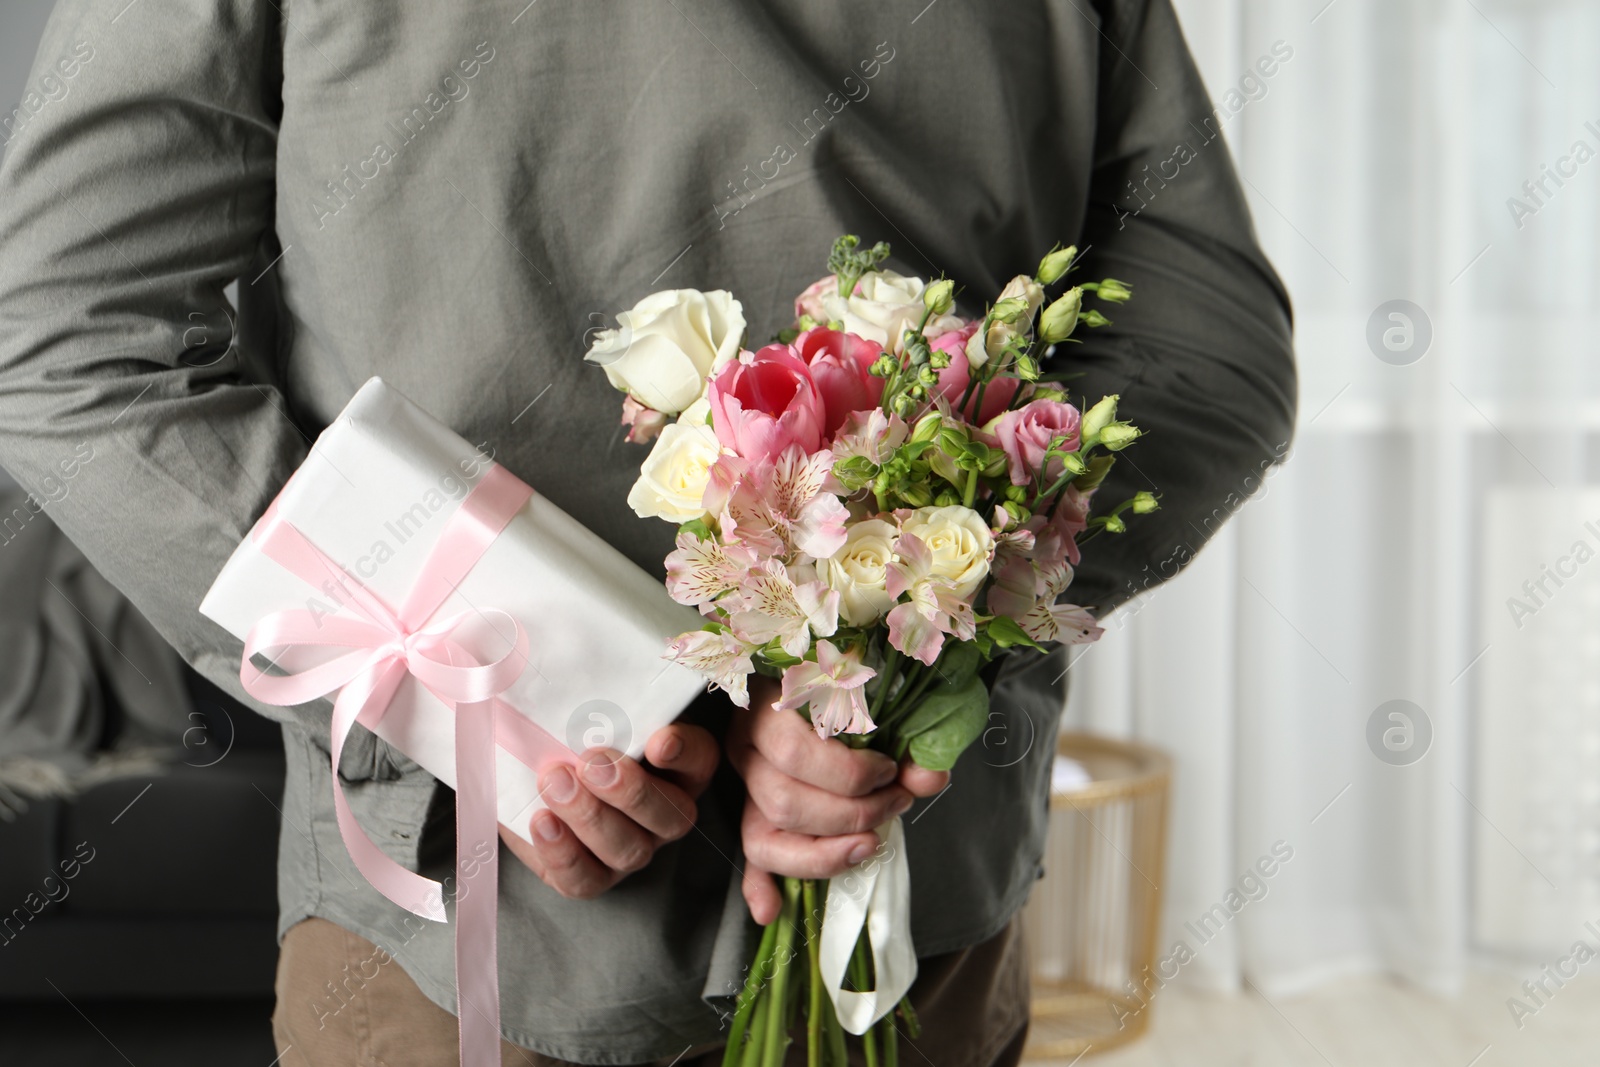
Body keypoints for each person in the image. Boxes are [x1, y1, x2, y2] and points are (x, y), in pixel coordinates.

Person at [0, 2, 1295, 1064]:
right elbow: (1210, 363)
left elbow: (64, 349)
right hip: (860, 921)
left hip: (510, 947)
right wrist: (891, 671)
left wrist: (510, 699)